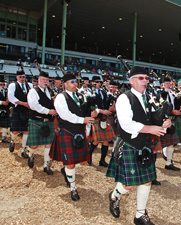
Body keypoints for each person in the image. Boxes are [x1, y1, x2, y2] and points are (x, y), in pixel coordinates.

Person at [106, 66, 171, 225]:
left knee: (146, 181)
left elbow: (152, 118)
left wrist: (164, 122)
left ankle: (140, 215)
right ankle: (115, 195)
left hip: (145, 145)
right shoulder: (124, 98)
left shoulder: (148, 97)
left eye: (147, 78)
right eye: (141, 78)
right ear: (131, 81)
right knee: (129, 185)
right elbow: (126, 123)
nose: (145, 81)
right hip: (130, 144)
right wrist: (150, 129)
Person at [50, 72, 95, 201]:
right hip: (68, 133)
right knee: (70, 164)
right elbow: (65, 115)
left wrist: (94, 111)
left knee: (77, 161)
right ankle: (73, 188)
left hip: (79, 133)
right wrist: (83, 120)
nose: (75, 84)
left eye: (76, 82)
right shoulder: (60, 97)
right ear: (65, 84)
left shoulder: (79, 96)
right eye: (72, 82)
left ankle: (67, 172)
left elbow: (85, 111)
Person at [26, 71, 57, 174]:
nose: (45, 81)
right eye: (43, 79)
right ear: (38, 80)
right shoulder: (32, 91)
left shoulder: (49, 91)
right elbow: (34, 105)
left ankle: (46, 166)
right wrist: (48, 111)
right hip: (36, 120)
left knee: (48, 144)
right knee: (34, 145)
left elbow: (51, 103)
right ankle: (30, 155)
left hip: (49, 121)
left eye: (46, 80)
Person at [8, 70, 33, 158]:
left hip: (27, 111)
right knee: (15, 131)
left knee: (26, 130)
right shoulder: (12, 85)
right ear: (17, 77)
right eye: (20, 77)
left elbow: (33, 96)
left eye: (24, 77)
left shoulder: (30, 85)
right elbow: (11, 97)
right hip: (18, 109)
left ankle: (23, 150)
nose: (22, 79)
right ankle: (12, 141)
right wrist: (23, 103)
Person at [0, 75, 10, 143]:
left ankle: (4, 138)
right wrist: (1, 102)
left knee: (5, 124)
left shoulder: (7, 91)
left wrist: (8, 101)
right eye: (1, 84)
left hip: (5, 110)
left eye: (3, 84)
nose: (2, 85)